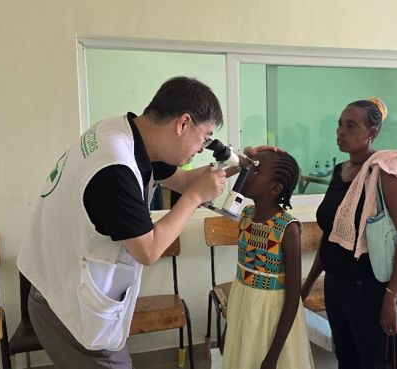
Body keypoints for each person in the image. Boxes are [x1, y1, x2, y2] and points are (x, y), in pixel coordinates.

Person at [17, 76, 235, 368]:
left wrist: (236, 164)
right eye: (204, 137)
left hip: (54, 283)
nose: (201, 148)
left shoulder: (126, 134)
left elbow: (182, 180)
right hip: (67, 303)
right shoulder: (115, 166)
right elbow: (148, 250)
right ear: (183, 123)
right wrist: (195, 199)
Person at [301, 98, 397, 369]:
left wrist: (392, 298)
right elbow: (333, 233)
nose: (341, 132)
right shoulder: (341, 171)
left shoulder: (385, 172)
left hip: (370, 290)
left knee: (375, 362)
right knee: (346, 360)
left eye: (351, 126)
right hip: (337, 285)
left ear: (372, 133)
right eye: (339, 125)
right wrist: (310, 280)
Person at [221, 150, 315, 369]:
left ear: (275, 188)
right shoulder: (245, 216)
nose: (248, 171)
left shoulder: (287, 228)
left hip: (270, 316)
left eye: (257, 170)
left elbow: (293, 296)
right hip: (242, 304)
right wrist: (229, 327)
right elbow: (243, 273)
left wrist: (273, 356)